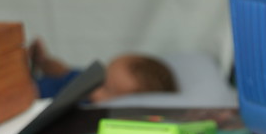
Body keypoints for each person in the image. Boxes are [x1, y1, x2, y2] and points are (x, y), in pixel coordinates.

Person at [31, 39, 178, 103]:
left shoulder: (82, 109)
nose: (95, 83)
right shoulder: (85, 81)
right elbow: (62, 71)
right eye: (102, 73)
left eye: (106, 88)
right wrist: (43, 61)